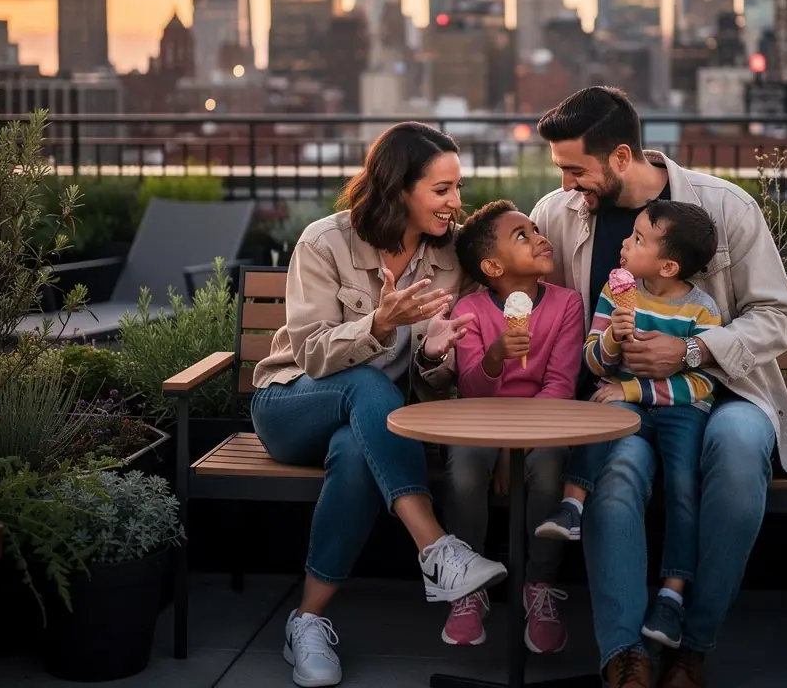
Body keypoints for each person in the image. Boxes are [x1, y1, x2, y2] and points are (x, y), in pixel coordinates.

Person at [530, 87, 787, 688]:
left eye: (576, 169)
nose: (565, 184)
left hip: (727, 389)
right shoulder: (557, 214)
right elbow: (537, 307)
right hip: (623, 399)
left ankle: (691, 646)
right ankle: (624, 655)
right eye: (560, 169)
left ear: (621, 156)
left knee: (739, 453)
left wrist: (692, 349)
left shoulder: (725, 206)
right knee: (616, 476)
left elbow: (778, 316)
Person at [251, 122, 507, 688]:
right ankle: (436, 547)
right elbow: (312, 354)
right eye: (441, 190)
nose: (455, 203)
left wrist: (435, 356)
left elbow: (436, 381)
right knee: (367, 385)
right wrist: (380, 324)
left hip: (373, 428)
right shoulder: (325, 242)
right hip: (291, 405)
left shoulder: (452, 256)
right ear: (399, 188)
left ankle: (307, 621)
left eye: (458, 188)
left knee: (356, 447)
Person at [537, 199, 722, 654]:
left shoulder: (701, 311)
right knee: (597, 416)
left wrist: (634, 390)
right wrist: (613, 338)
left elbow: (702, 383)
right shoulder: (618, 291)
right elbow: (594, 361)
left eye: (638, 239)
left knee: (684, 487)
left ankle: (672, 596)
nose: (624, 243)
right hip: (623, 402)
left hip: (680, 412)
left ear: (669, 265)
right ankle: (572, 506)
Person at [424, 200, 586, 653]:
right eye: (522, 236)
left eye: (534, 229)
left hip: (543, 425)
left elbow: (559, 385)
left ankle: (540, 583)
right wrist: (496, 354)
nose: (539, 237)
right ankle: (468, 585)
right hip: (481, 425)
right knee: (464, 468)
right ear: (493, 266)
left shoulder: (567, 304)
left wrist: (514, 449)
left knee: (550, 466)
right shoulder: (471, 309)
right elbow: (472, 390)